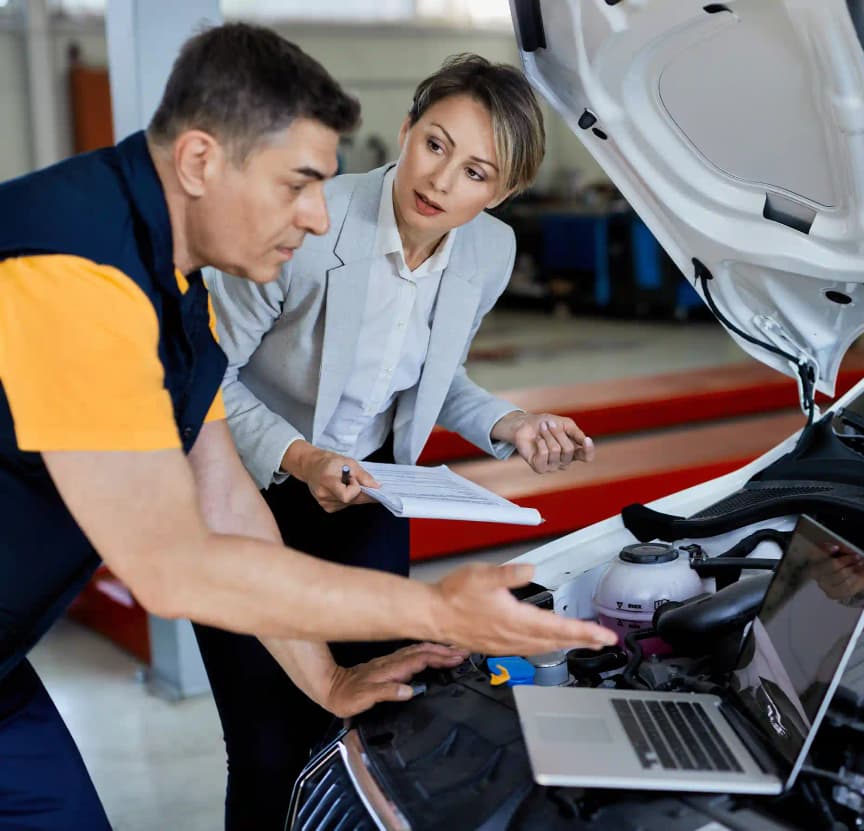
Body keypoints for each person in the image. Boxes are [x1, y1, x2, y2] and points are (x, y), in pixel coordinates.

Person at [0, 24, 614, 830]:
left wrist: (326, 679)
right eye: (298, 184)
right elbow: (172, 565)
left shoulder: (176, 297)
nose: (321, 216)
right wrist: (436, 612)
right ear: (199, 162)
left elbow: (225, 508)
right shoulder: (75, 273)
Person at [197, 53, 598, 829]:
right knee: (267, 745)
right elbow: (201, 380)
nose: (444, 182)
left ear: (503, 193)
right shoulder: (304, 226)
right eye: (437, 144)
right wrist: (299, 456)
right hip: (247, 493)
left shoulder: (489, 252)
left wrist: (510, 422)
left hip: (371, 501)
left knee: (368, 726)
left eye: (477, 172)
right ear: (407, 128)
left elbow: (431, 378)